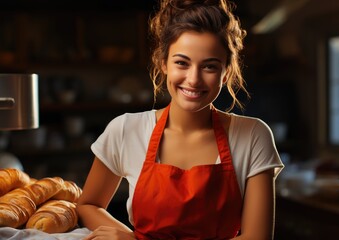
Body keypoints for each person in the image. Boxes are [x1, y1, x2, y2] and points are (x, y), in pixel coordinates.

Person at [76, 0, 284, 239]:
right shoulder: (126, 129)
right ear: (163, 63)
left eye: (209, 67)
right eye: (182, 63)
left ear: (226, 73)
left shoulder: (253, 135)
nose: (193, 79)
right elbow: (88, 205)